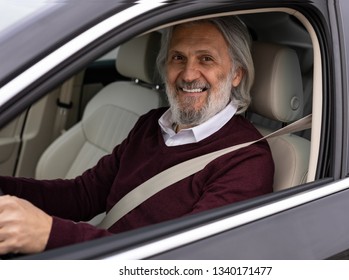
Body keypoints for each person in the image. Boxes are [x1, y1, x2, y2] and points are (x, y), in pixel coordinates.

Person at [0, 16, 274, 255]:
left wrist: (49, 234)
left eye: (206, 58)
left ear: (237, 74)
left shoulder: (246, 160)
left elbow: (184, 259)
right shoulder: (150, 126)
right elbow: (83, 194)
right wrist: (6, 189)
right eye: (178, 57)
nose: (189, 74)